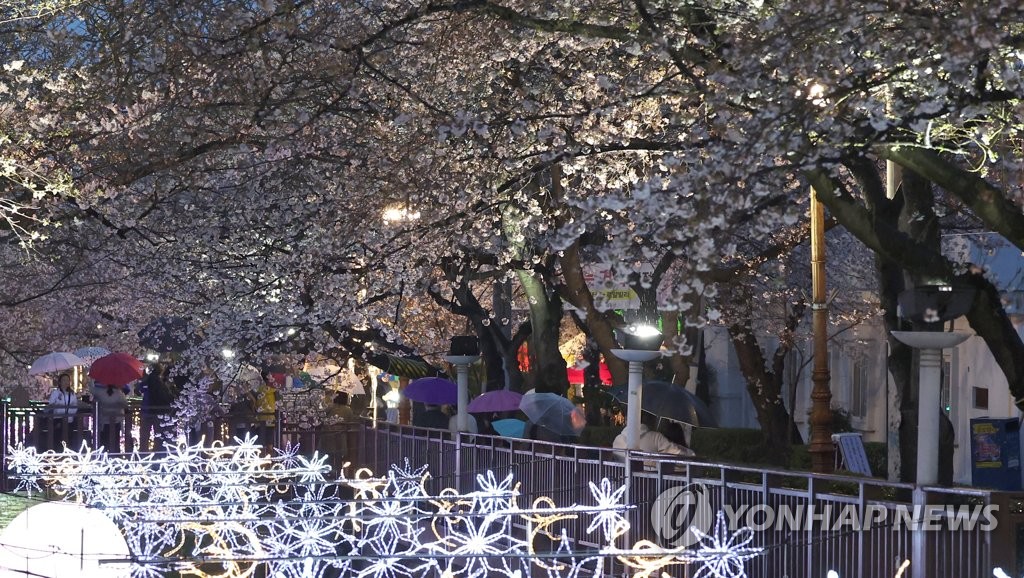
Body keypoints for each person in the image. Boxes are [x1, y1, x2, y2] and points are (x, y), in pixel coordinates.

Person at [612, 411, 695, 463]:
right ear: (646, 418)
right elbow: (678, 453)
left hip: (622, 482)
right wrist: (691, 453)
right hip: (650, 483)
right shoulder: (656, 438)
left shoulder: (617, 439)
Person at [139, 364, 177, 451]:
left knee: (144, 435)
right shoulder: (158, 382)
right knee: (158, 434)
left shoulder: (147, 380)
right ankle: (156, 452)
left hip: (147, 410)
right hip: (157, 412)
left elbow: (140, 390)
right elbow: (162, 396)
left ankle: (143, 453)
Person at [43, 374, 78, 450]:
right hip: (58, 419)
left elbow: (75, 405)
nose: (66, 382)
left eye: (67, 380)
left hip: (69, 419)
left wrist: (70, 413)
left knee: (69, 437)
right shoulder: (56, 393)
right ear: (60, 382)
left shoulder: (72, 393)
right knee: (58, 438)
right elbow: (51, 404)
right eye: (64, 380)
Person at [93, 382, 129, 453]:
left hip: (104, 421)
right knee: (115, 441)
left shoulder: (101, 393)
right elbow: (125, 405)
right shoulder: (119, 393)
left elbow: (95, 400)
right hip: (116, 420)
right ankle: (115, 457)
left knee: (104, 441)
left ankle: (103, 457)